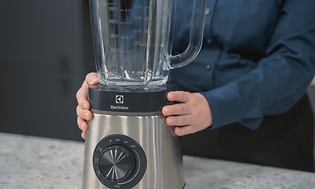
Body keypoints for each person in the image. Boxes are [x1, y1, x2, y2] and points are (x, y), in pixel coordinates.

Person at [77, 0, 315, 172]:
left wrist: (216, 105)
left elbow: (294, 60)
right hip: (171, 126)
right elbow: (134, 42)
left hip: (267, 134)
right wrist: (108, 85)